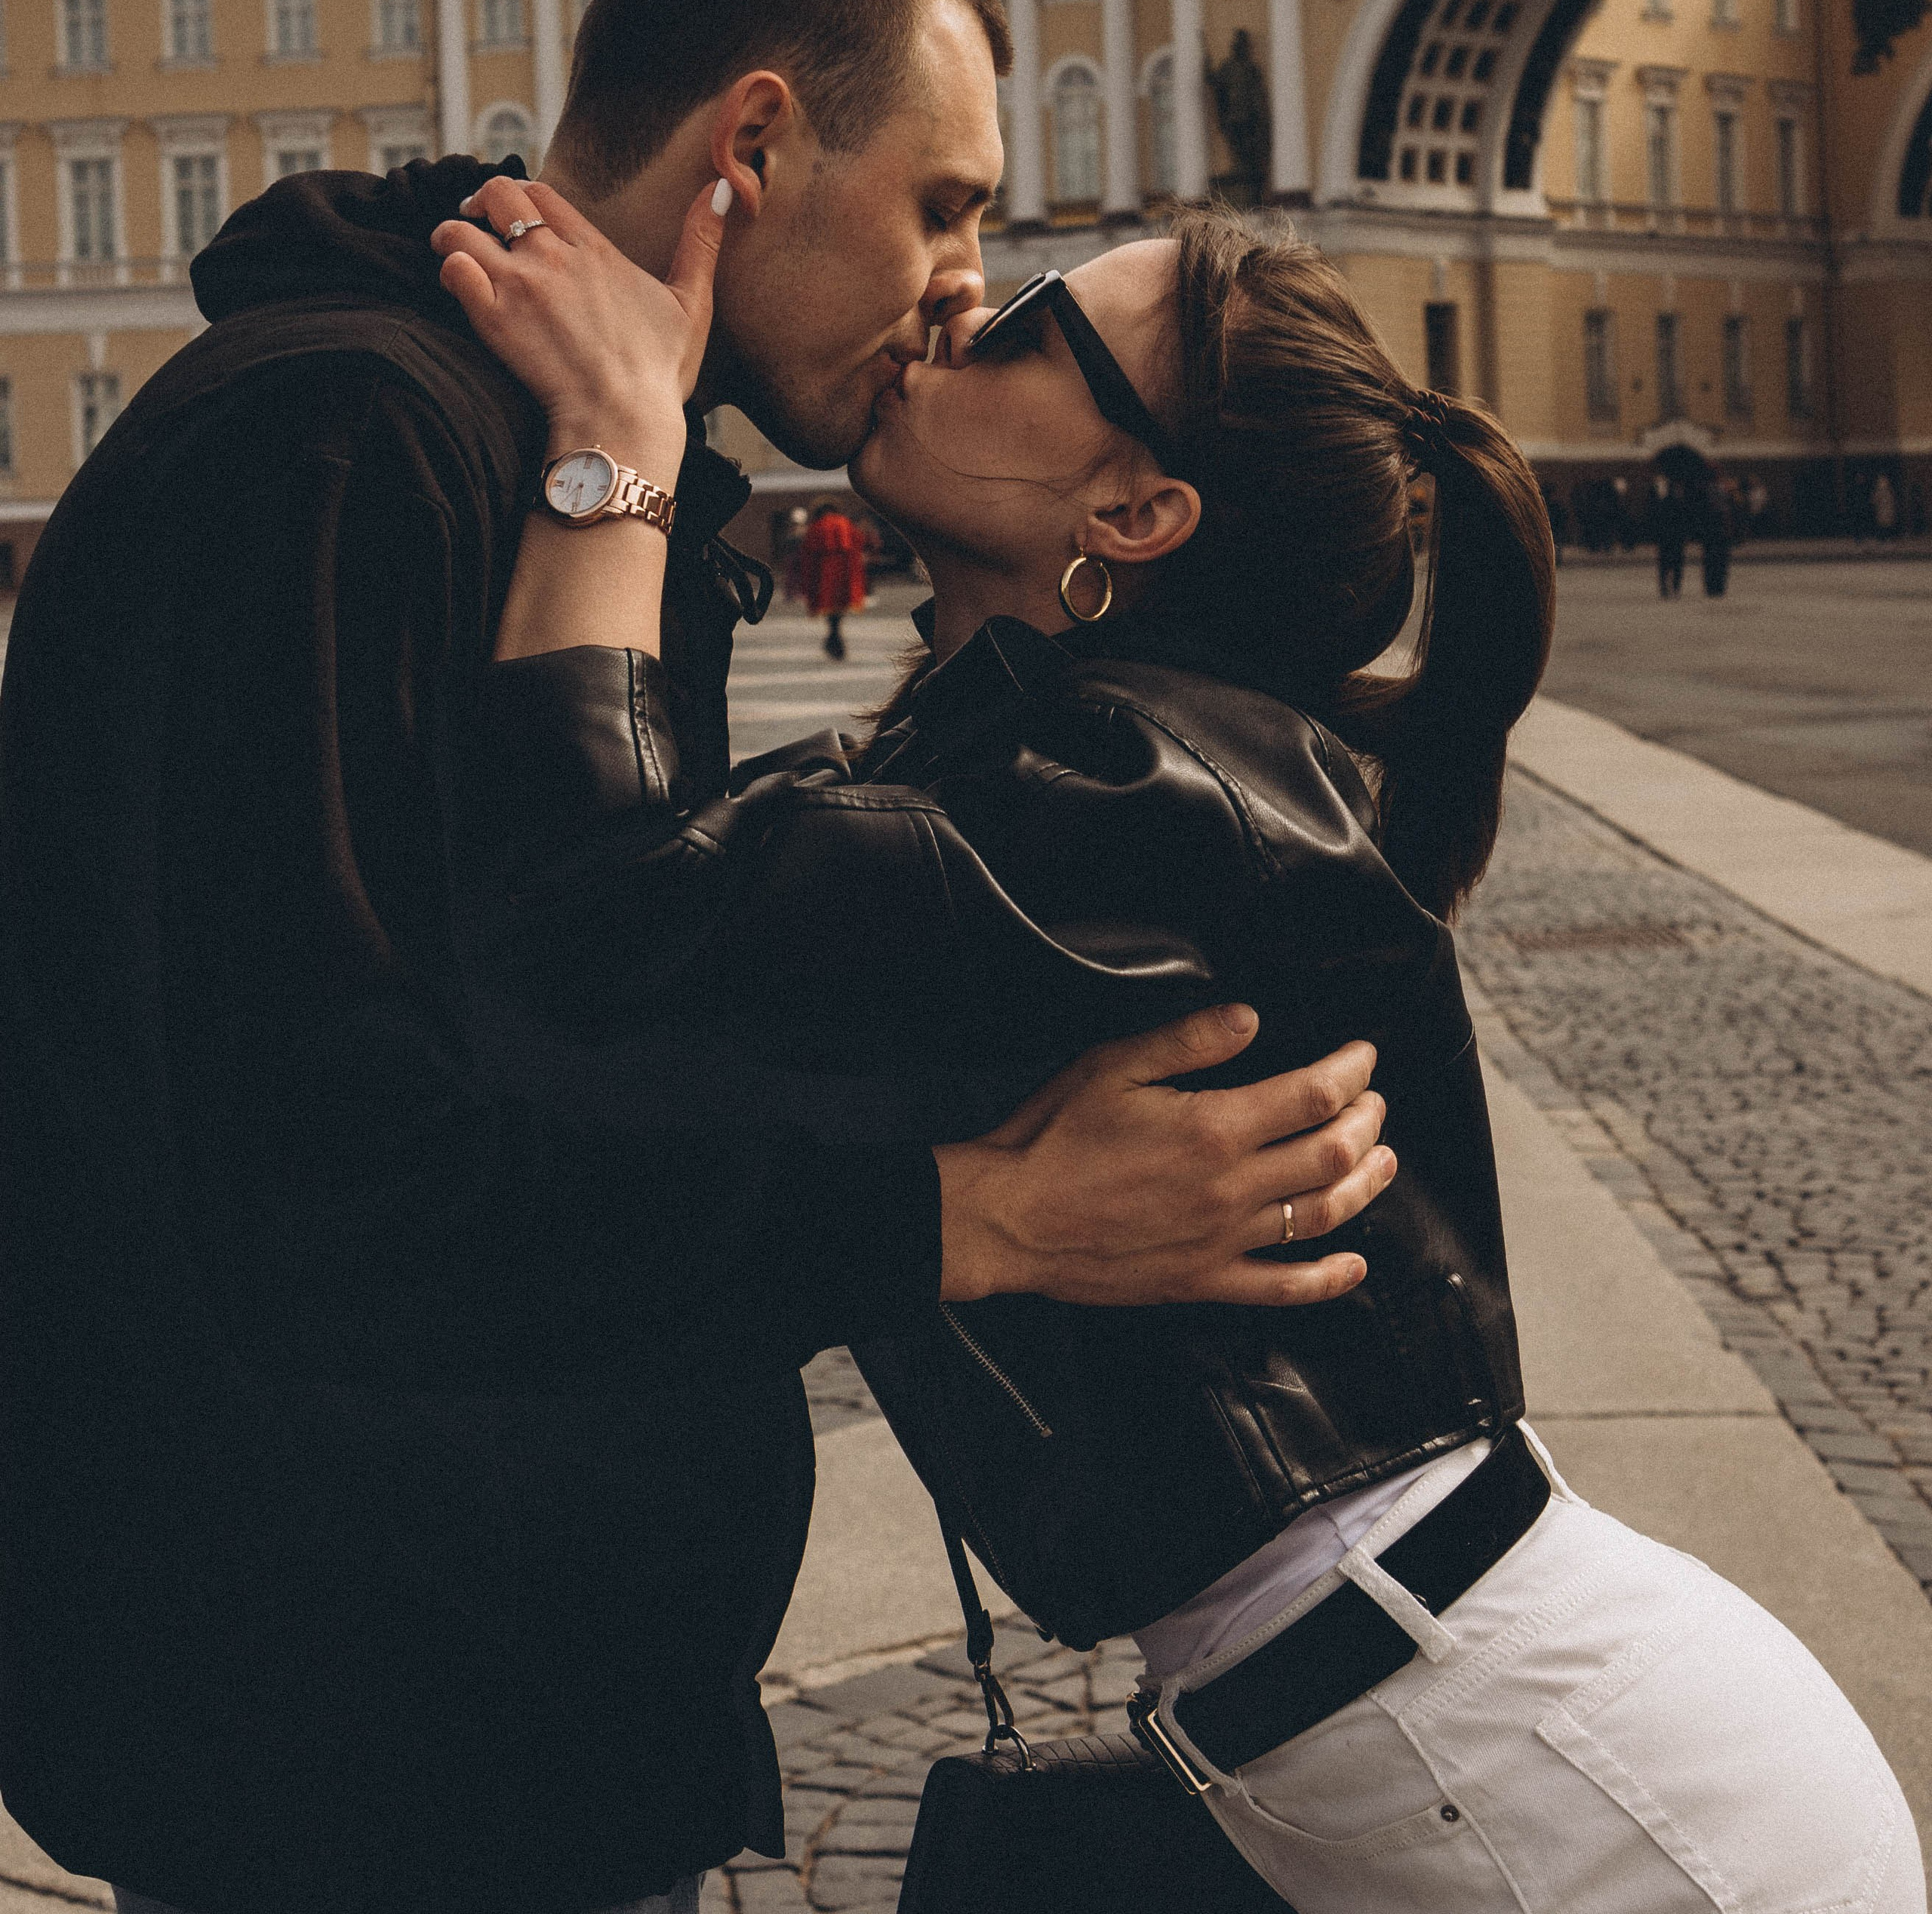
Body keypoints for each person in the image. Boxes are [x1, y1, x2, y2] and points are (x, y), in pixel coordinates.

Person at [0, 0, 1393, 1914]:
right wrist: (960, 1217)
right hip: (361, 1751)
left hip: (500, 1719)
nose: (963, 278)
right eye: (947, 204)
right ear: (755, 141)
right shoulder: (353, 451)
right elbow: (328, 1174)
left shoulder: (549, 456)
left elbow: (602, 1027)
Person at [436, 175, 1923, 1914]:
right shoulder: (1096, 768)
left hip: (1575, 1799)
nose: (955, 307)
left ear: (1134, 505)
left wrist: (615, 446)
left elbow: (592, 934)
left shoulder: (1121, 796)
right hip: (1491, 1728)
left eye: (1029, 319)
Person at [796, 492, 869, 658]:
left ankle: (834, 639)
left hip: (824, 576)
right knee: (839, 611)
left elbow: (808, 555)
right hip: (845, 575)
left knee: (830, 612)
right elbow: (859, 544)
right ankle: (835, 640)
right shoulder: (846, 523)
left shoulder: (817, 526)